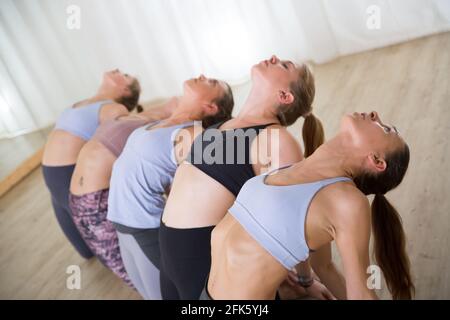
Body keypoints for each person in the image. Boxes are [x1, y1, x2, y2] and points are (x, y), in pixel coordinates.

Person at [159, 55, 326, 300]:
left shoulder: (277, 140)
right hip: (170, 252)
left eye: (285, 65)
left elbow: (291, 220)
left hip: (204, 258)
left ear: (284, 96)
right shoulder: (222, 125)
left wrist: (304, 278)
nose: (273, 57)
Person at [204, 111, 414, 300]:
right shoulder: (292, 169)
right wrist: (306, 282)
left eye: (386, 129)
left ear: (377, 161)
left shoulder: (347, 202)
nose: (375, 114)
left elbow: (361, 293)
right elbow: (323, 266)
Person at [106, 75, 234, 299]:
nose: (203, 76)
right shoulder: (162, 123)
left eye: (212, 83)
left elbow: (226, 172)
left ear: (211, 106)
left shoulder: (193, 135)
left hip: (145, 228)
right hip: (122, 223)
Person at [68, 99, 177, 285]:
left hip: (99, 202)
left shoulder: (169, 130)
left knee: (140, 274)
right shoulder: (143, 115)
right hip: (79, 201)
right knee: (134, 271)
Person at [42, 69, 141, 258]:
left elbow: (118, 144)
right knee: (85, 253)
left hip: (70, 177)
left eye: (126, 74)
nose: (118, 70)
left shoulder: (114, 109)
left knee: (111, 253)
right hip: (53, 181)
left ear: (126, 90)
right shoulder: (79, 103)